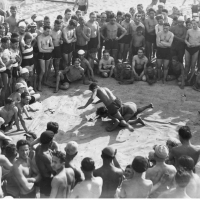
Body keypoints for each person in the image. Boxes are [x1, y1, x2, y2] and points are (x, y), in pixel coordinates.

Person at [35, 131, 55, 198]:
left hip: (43, 180)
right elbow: (54, 171)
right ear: (51, 141)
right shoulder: (45, 156)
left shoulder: (38, 148)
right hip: (47, 181)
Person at [37, 25, 54, 91]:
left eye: (49, 31)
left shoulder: (49, 37)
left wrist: (45, 48)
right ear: (44, 30)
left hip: (47, 55)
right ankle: (39, 84)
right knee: (43, 71)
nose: (48, 33)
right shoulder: (39, 37)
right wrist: (48, 50)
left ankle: (44, 81)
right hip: (42, 55)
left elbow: (53, 47)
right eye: (47, 31)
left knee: (46, 69)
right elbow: (40, 50)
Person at [185, 19, 200, 85]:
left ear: (198, 23)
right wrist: (187, 43)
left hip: (196, 49)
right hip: (188, 48)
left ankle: (191, 79)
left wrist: (196, 44)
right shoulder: (189, 31)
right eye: (192, 23)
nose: (194, 25)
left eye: (195, 23)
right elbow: (185, 39)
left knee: (193, 65)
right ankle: (185, 78)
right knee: (187, 64)